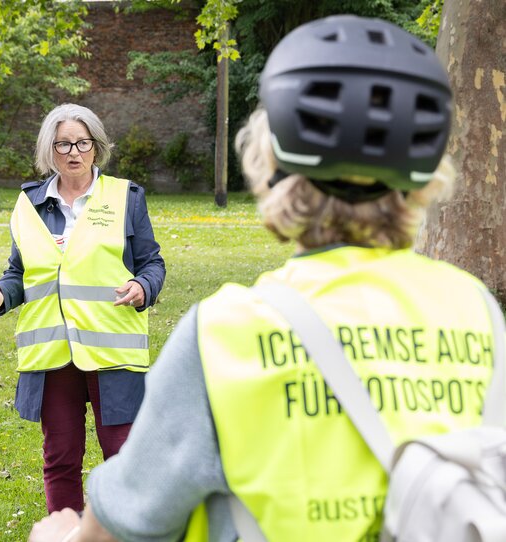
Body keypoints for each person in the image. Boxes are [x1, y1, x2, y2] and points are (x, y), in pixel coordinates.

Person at [29, 15, 502, 542]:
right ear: (427, 173)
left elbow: (119, 529)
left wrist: (57, 533)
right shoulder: (478, 312)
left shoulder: (224, 333)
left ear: (268, 161)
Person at [0, 103, 165, 513]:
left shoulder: (125, 197)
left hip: (111, 350)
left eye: (82, 143)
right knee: (60, 458)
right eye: (63, 145)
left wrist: (142, 286)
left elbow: (152, 264)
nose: (74, 152)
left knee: (123, 457)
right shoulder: (28, 204)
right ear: (49, 151)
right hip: (54, 353)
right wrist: (1, 295)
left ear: (96, 147)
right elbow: (19, 272)